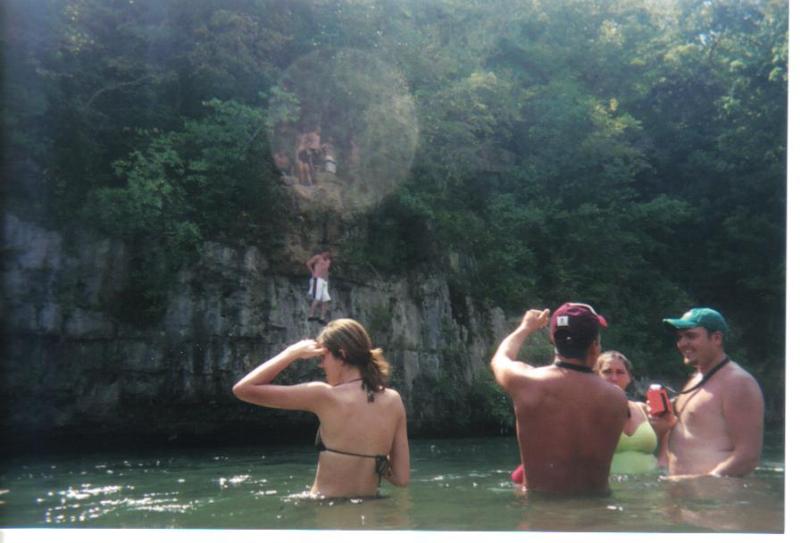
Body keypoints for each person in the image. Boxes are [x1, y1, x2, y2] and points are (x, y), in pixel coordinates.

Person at [232, 318, 410, 498]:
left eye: (323, 357)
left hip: (327, 509)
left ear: (342, 355)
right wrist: (371, 456)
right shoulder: (394, 401)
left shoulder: (325, 396)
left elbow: (243, 389)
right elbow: (401, 478)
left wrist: (291, 353)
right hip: (371, 509)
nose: (321, 365)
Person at [491, 303, 628, 495]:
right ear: (595, 347)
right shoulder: (616, 398)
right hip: (597, 509)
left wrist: (525, 327)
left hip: (539, 509)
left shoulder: (526, 383)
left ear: (552, 339)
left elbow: (500, 358)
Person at [661, 307, 764, 477]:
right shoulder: (697, 378)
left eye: (691, 336)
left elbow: (748, 457)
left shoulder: (737, 382)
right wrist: (664, 422)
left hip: (713, 492)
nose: (682, 343)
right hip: (684, 490)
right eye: (680, 337)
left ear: (716, 338)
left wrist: (706, 482)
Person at [595, 351, 662, 475]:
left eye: (620, 372)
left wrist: (666, 428)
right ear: (596, 376)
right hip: (607, 484)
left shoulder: (643, 409)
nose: (614, 378)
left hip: (651, 482)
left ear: (629, 378)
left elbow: (665, 445)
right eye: (607, 372)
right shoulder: (588, 411)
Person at [306, 250, 332, 324]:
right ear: (323, 253)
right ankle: (311, 315)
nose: (326, 255)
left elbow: (326, 270)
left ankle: (322, 317)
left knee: (326, 299)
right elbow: (308, 263)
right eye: (326, 253)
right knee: (317, 298)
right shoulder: (318, 257)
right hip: (317, 279)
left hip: (324, 281)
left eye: (328, 254)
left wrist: (327, 281)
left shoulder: (328, 261)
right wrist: (313, 272)